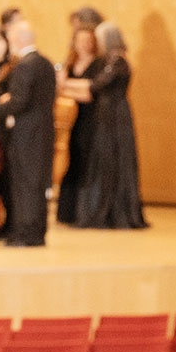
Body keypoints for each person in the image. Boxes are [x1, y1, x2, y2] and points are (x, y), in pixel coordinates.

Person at [66, 22, 146, 231]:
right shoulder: (112, 61)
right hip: (107, 117)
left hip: (115, 119)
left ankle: (111, 212)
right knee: (105, 162)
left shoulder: (118, 62)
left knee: (113, 161)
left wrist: (63, 84)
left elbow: (94, 86)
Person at [0, 19, 56, 248]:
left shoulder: (25, 65)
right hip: (44, 131)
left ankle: (25, 233)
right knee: (37, 183)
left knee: (25, 183)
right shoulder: (46, 63)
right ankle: (37, 232)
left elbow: (20, 102)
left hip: (27, 133)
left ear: (17, 40)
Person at [53, 23, 100, 227]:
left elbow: (90, 94)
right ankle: (67, 213)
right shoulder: (70, 64)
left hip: (90, 120)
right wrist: (71, 88)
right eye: (81, 40)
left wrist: (67, 86)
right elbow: (59, 89)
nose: (85, 44)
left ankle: (86, 213)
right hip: (69, 121)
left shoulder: (98, 64)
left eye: (89, 40)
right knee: (69, 163)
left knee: (87, 164)